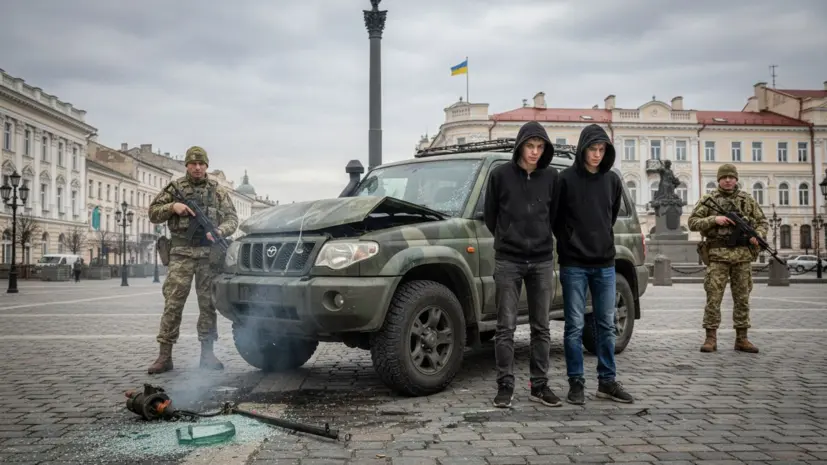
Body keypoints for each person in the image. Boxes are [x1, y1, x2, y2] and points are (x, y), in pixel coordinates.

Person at [553, 123, 634, 406]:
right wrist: (571, 242)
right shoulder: (564, 179)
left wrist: (599, 242)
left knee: (606, 324)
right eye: (592, 149)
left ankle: (607, 382)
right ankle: (576, 383)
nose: (597, 155)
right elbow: (556, 219)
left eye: (601, 150)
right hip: (574, 264)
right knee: (574, 326)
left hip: (605, 264)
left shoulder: (612, 181)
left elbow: (609, 216)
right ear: (582, 149)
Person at [483, 121, 561, 408]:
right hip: (509, 261)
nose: (535, 152)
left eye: (540, 147)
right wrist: (507, 238)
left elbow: (554, 215)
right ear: (520, 146)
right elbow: (491, 215)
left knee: (541, 327)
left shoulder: (551, 176)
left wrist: (541, 238)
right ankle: (505, 385)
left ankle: (539, 386)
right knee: (505, 327)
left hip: (541, 260)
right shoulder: (500, 175)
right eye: (530, 146)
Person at [146, 146, 239, 374]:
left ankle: (207, 355)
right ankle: (164, 355)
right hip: (180, 255)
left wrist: (219, 231)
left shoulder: (218, 191)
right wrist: (172, 207)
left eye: (201, 164)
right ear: (187, 165)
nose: (197, 168)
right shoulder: (175, 187)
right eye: (193, 164)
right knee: (173, 304)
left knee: (208, 306)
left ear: (206, 166)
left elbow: (232, 219)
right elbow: (153, 213)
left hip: (208, 256)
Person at [687, 164, 766, 353]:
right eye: (724, 177)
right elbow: (692, 222)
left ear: (736, 179)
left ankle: (742, 338)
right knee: (713, 298)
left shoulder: (747, 200)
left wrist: (758, 235)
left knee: (742, 298)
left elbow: (762, 221)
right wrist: (714, 220)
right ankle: (710, 338)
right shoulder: (709, 199)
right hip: (718, 256)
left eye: (731, 177)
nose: (728, 180)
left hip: (742, 257)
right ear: (719, 179)